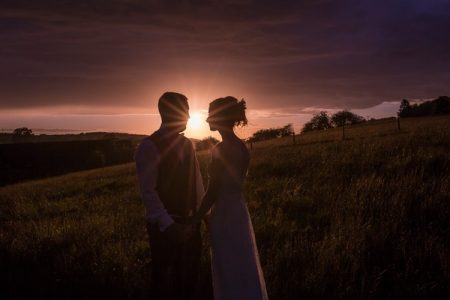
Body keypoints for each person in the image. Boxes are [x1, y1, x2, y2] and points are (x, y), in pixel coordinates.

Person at [191, 97, 269, 300]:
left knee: (227, 265)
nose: (207, 121)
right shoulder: (242, 147)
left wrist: (197, 217)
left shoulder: (221, 149)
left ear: (219, 118)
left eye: (210, 116)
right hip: (238, 210)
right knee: (241, 262)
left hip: (224, 214)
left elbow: (213, 191)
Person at [135, 92, 205, 300]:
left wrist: (201, 217)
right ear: (170, 113)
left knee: (188, 282)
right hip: (165, 229)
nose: (189, 117)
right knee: (163, 284)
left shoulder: (188, 145)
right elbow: (149, 192)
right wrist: (170, 226)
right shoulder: (148, 147)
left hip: (192, 225)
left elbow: (197, 183)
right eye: (185, 112)